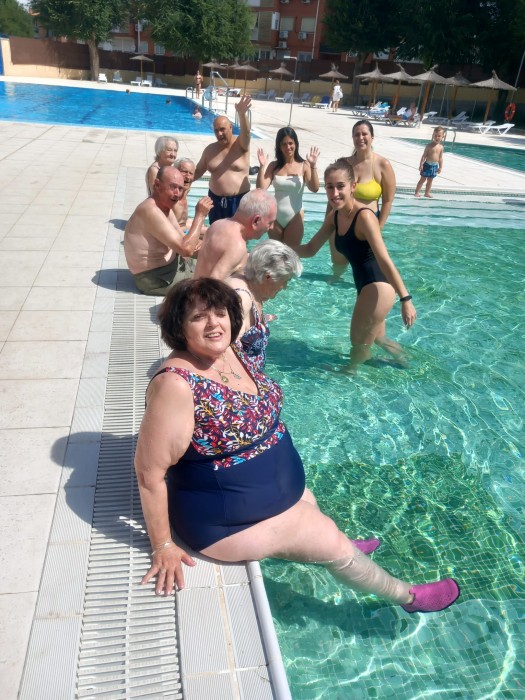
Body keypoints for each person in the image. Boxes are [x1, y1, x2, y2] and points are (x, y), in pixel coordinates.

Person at [135, 277, 460, 615]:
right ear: (179, 327)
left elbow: (240, 290)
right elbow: (148, 473)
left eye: (220, 313)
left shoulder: (229, 351)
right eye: (199, 317)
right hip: (223, 521)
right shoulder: (176, 384)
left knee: (309, 504)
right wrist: (163, 545)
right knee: (328, 537)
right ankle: (408, 597)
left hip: (265, 496)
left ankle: (336, 548)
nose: (214, 323)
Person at [295, 159, 416, 373]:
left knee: (359, 343)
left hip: (378, 287)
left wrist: (405, 299)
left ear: (353, 186)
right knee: (379, 338)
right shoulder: (335, 216)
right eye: (330, 187)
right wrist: (277, 248)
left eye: (340, 186)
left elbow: (384, 259)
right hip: (366, 286)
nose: (335, 193)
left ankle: (349, 372)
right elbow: (311, 249)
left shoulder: (365, 217)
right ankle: (409, 365)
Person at [124, 167, 213, 296]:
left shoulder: (164, 207)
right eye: (173, 187)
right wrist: (200, 215)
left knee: (217, 262)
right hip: (155, 279)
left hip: (169, 267)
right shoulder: (150, 210)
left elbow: (185, 240)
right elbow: (186, 249)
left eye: (180, 188)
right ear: (157, 185)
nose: (177, 193)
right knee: (214, 280)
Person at [328, 120, 396, 276]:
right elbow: (332, 196)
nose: (360, 138)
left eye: (364, 134)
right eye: (356, 135)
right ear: (352, 138)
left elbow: (387, 200)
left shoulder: (382, 165)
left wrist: (378, 228)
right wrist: (328, 222)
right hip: (341, 223)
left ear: (372, 137)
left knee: (367, 269)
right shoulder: (343, 163)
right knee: (338, 267)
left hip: (367, 226)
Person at [225, 240, 303, 370]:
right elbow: (228, 351)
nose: (285, 287)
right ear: (268, 277)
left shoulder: (249, 282)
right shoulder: (242, 299)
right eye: (284, 281)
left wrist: (260, 320)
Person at [256, 127, 320, 246]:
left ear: (296, 144)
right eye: (284, 144)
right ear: (279, 146)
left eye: (290, 143)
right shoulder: (274, 166)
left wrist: (313, 166)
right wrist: (262, 167)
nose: (288, 147)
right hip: (275, 216)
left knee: (292, 253)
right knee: (275, 253)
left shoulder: (304, 165)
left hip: (295, 217)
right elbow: (261, 188)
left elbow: (315, 188)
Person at [194, 189, 277, 280]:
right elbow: (212, 285)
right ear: (256, 221)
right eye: (270, 223)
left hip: (194, 285)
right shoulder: (237, 246)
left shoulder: (217, 225)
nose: (272, 227)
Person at [194, 95, 252, 224]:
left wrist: (242, 114)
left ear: (231, 127)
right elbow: (197, 172)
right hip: (215, 202)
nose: (219, 134)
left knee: (238, 233)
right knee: (216, 233)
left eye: (222, 129)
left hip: (238, 201)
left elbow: (247, 133)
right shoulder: (210, 150)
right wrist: (181, 182)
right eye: (216, 131)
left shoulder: (241, 145)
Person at [415, 127, 445, 198]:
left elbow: (440, 158)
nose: (437, 137)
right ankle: (417, 192)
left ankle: (427, 193)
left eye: (439, 136)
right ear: (433, 135)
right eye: (435, 135)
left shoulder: (441, 147)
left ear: (442, 137)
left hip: (434, 166)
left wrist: (440, 167)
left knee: (430, 180)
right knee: (422, 179)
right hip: (427, 165)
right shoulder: (429, 146)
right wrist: (421, 164)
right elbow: (424, 156)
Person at [172, 157, 197, 230]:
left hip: (184, 230)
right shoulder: (170, 197)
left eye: (191, 173)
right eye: (185, 172)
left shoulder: (186, 190)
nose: (188, 177)